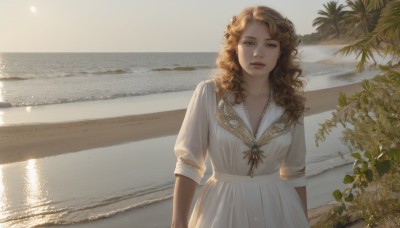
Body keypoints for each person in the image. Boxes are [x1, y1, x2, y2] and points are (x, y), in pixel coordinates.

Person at [171, 5, 309, 228]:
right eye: (249, 42)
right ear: (235, 46)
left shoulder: (292, 104)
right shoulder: (209, 94)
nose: (258, 53)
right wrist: (178, 222)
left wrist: (303, 220)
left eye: (270, 44)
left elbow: (295, 173)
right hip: (221, 211)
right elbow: (188, 164)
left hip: (279, 212)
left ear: (280, 52)